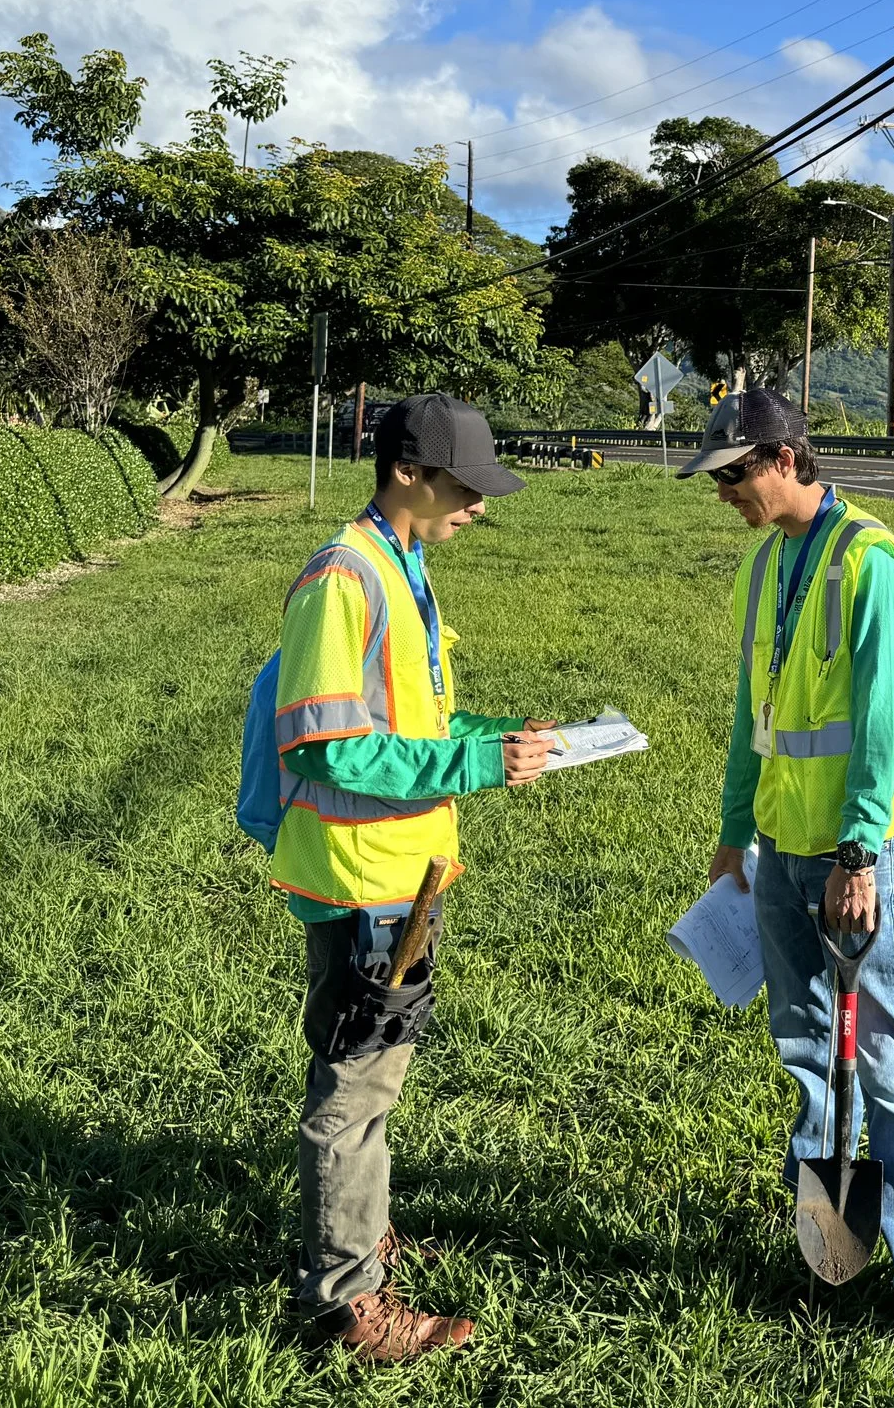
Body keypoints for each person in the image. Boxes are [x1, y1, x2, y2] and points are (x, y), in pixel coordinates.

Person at [680, 390, 894, 1382]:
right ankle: (835, 1250)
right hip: (776, 842)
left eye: (734, 474)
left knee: (887, 1057)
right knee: (807, 1048)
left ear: (787, 455)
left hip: (858, 853)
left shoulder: (872, 563)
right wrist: (732, 832)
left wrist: (856, 857)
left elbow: (884, 723)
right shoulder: (765, 566)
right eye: (716, 479)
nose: (724, 493)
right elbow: (749, 713)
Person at [268, 392, 556, 1363]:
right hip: (361, 881)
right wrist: (474, 767)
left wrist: (496, 740)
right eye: (464, 486)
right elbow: (326, 748)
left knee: (377, 1075)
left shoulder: (405, 566)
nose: (478, 504)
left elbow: (413, 723)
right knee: (353, 1088)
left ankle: (362, 1239)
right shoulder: (343, 580)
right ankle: (348, 1304)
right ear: (406, 473)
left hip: (405, 873)